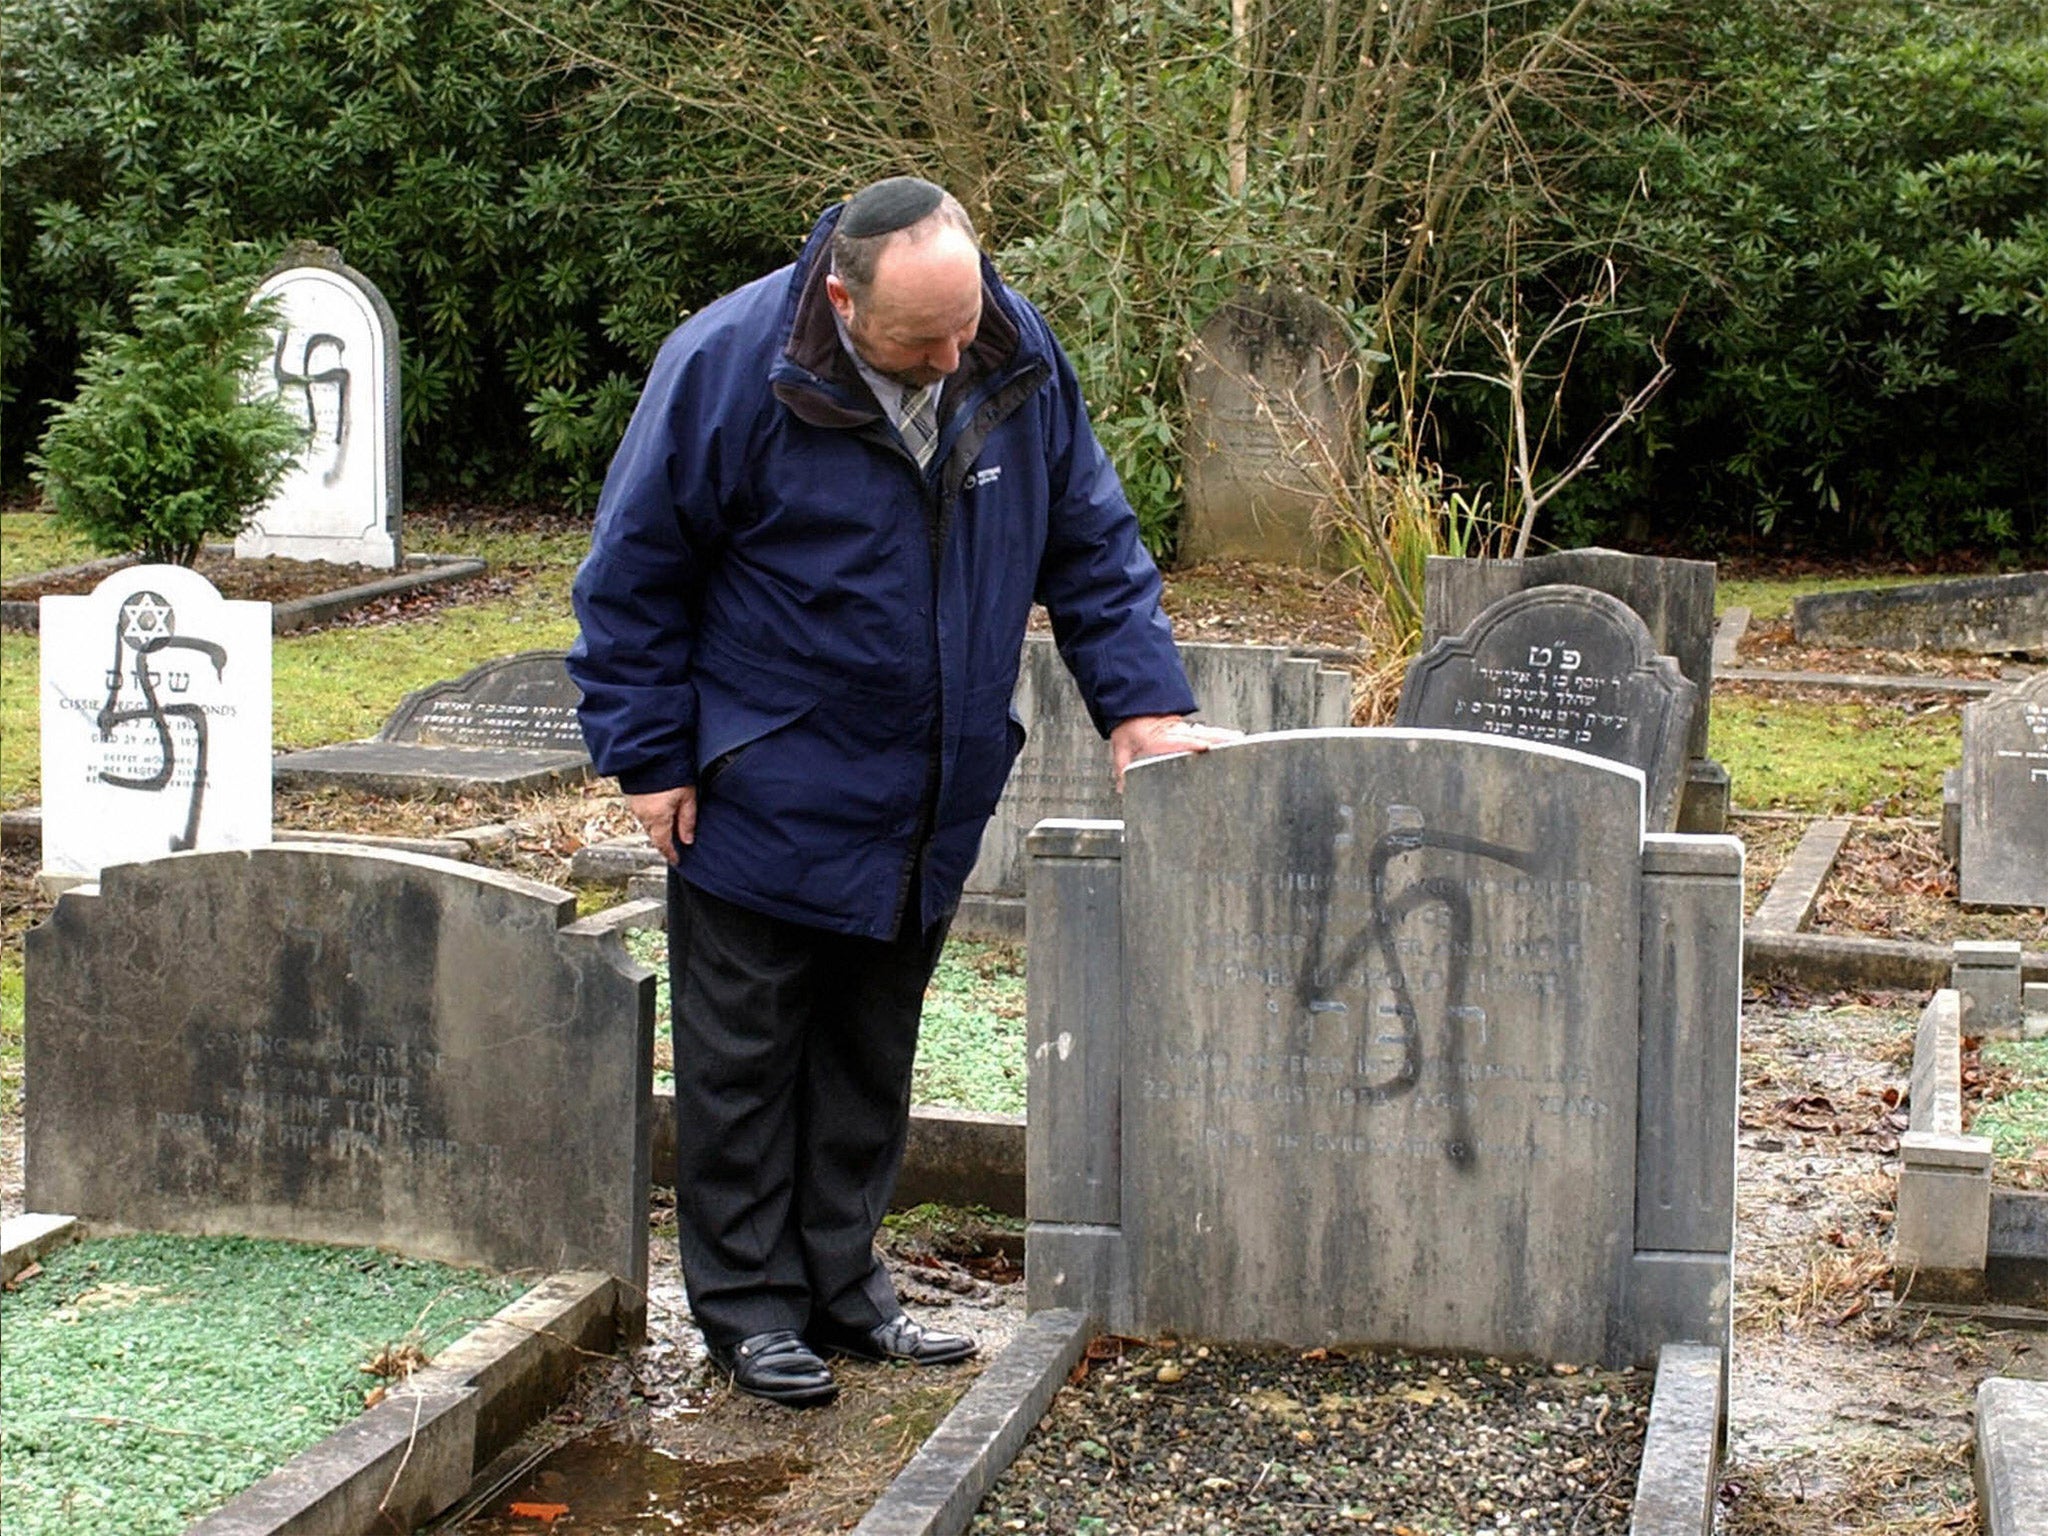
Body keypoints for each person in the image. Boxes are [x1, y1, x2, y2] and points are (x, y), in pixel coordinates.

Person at [568, 175, 1234, 1407]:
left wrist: (1140, 702)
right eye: (919, 339)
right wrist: (649, 757)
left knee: (869, 1055)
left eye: (963, 326)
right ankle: (750, 1311)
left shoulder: (1009, 348)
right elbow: (632, 576)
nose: (949, 356)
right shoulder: (724, 367)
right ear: (839, 294)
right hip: (759, 782)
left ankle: (845, 1290)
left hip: (929, 788)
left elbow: (1088, 537)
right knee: (747, 1062)